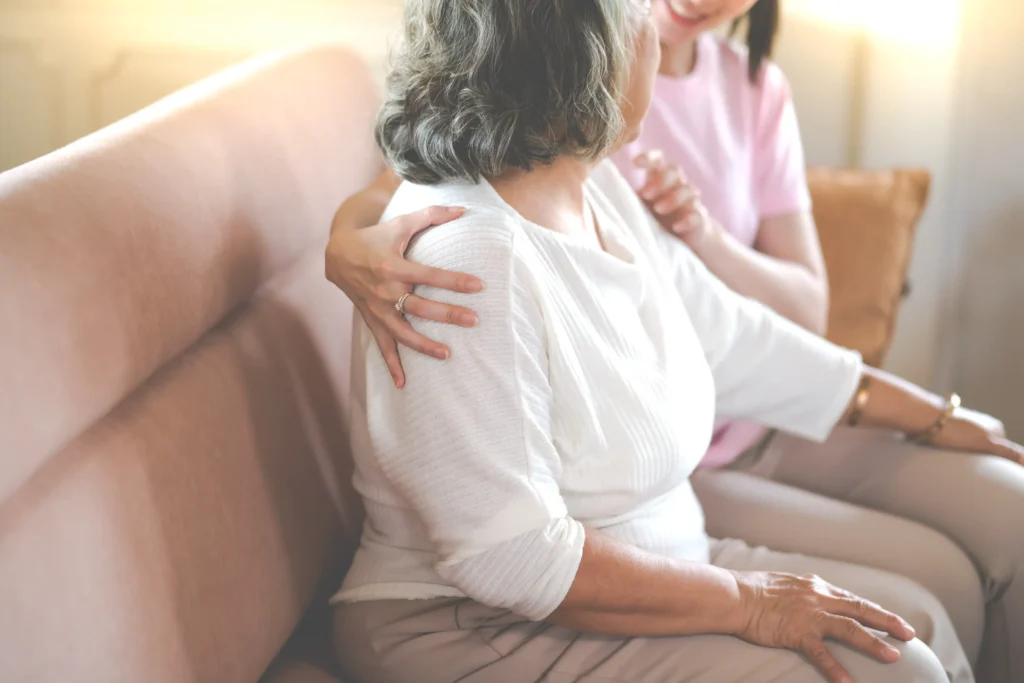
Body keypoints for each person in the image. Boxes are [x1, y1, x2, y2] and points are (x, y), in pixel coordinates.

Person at [325, 1, 1024, 680]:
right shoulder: (465, 257)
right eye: (637, 16)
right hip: (474, 624)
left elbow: (733, 335)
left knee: (930, 610)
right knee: (896, 667)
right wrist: (750, 601)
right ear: (583, 57)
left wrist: (934, 413)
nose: (654, 38)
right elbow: (510, 557)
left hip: (653, 550)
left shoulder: (594, 186)